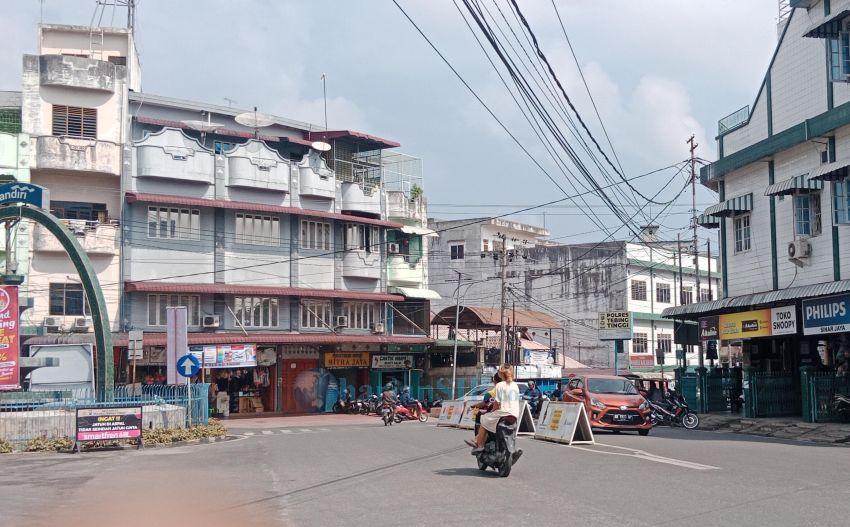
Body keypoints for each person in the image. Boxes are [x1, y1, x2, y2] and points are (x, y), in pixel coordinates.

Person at [467, 365, 520, 453]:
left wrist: (491, 411)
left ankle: (479, 444)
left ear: (501, 374)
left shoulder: (499, 385)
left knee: (484, 419)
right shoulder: (515, 385)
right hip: (515, 414)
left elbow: (496, 404)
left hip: (504, 412)